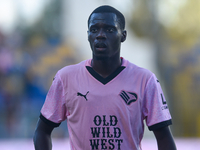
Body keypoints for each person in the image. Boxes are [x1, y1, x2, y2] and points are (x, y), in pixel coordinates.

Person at [33, 5, 176, 150]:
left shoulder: (145, 80)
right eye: (94, 30)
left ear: (123, 35)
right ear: (88, 35)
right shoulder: (65, 78)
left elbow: (164, 137)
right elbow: (42, 131)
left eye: (109, 29)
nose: (100, 35)